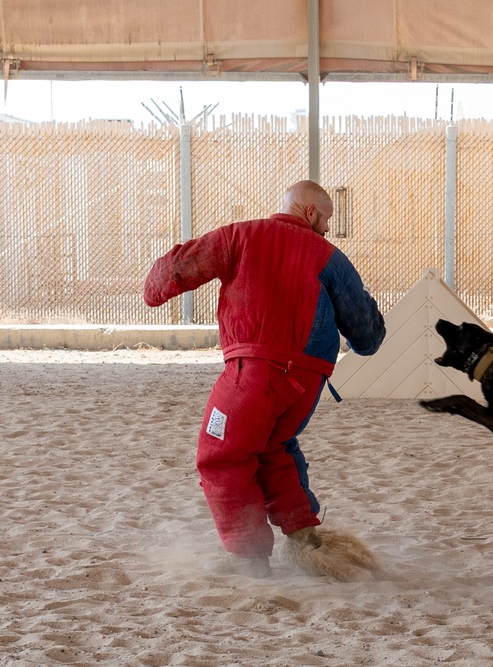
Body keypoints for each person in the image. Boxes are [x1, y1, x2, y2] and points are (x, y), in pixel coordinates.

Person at [143, 180, 386, 578]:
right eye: (326, 218)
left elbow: (176, 269)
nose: (327, 227)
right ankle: (305, 539)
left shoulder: (240, 236)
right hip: (306, 387)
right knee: (273, 445)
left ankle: (247, 557)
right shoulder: (331, 257)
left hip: (252, 376)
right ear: (310, 213)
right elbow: (367, 338)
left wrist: (153, 288)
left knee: (220, 454)